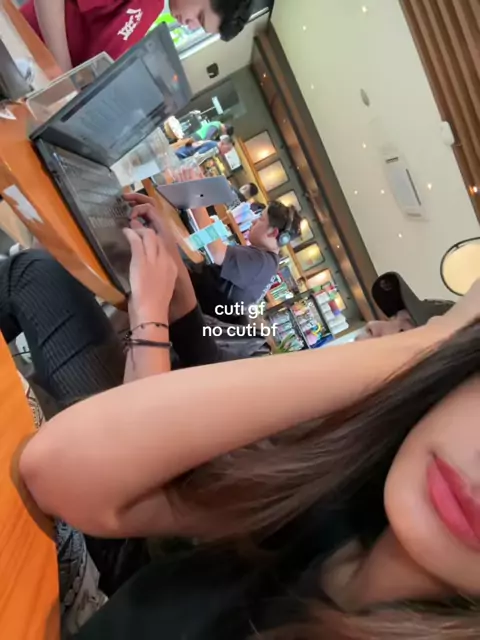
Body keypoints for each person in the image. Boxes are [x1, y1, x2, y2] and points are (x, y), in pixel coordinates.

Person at [17, 276, 480, 639]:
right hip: (128, 471)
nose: (379, 327)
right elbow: (63, 469)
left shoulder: (257, 286)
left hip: (104, 548)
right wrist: (174, 299)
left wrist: (152, 318)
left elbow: (221, 332)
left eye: (407, 327)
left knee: (34, 277)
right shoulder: (334, 497)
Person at [1, 193, 222, 634]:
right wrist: (177, 287)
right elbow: (211, 373)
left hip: (126, 544)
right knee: (39, 273)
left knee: (39, 275)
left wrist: (150, 320)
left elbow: (141, 492)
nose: (365, 333)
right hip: (161, 464)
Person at [20, 0, 255, 72]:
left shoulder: (155, 7)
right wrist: (61, 74)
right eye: (200, 17)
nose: (189, 25)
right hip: (24, 51)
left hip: (42, 80)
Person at [189, 200, 301, 317]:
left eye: (260, 218)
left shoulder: (261, 262)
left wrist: (196, 200)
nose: (253, 221)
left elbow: (216, 252)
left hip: (192, 309)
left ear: (273, 232)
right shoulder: (268, 263)